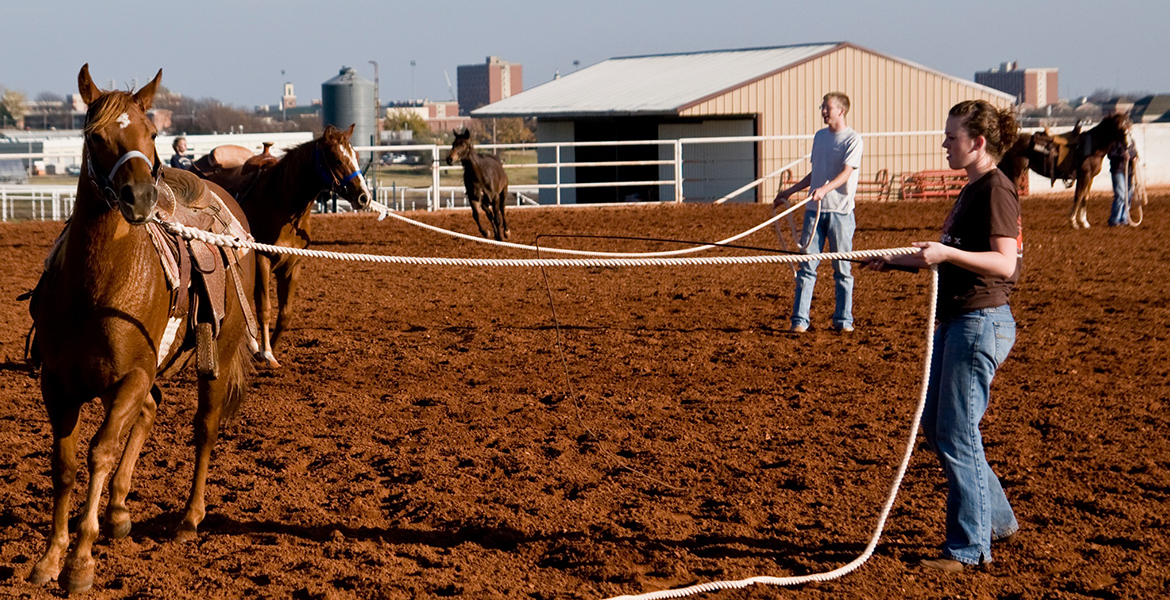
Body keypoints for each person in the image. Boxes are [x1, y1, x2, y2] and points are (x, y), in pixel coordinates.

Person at [865, 99, 1023, 573]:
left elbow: (1004, 263)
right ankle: (996, 519)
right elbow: (946, 252)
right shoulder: (973, 189)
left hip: (979, 323)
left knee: (956, 430)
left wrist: (945, 257)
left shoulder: (995, 189)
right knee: (941, 427)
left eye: (952, 137)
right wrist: (893, 260)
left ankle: (970, 548)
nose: (944, 143)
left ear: (977, 142)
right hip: (961, 320)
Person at [773, 92, 863, 333]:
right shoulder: (820, 137)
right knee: (806, 268)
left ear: (841, 111)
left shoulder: (853, 139)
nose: (823, 110)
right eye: (823, 106)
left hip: (840, 213)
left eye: (827, 107)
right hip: (814, 211)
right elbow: (815, 173)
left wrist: (824, 189)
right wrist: (789, 192)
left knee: (842, 269)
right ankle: (799, 321)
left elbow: (846, 173)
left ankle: (844, 321)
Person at [1107, 133, 1139, 227]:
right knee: (1121, 195)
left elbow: (1135, 153)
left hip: (1129, 171)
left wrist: (1134, 157)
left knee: (1128, 195)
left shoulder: (1131, 141)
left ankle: (1124, 218)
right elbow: (1111, 155)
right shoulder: (1115, 142)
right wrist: (1122, 155)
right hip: (1118, 170)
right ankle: (1115, 219)